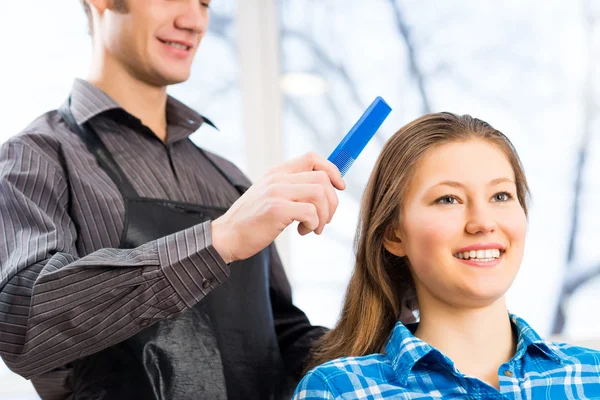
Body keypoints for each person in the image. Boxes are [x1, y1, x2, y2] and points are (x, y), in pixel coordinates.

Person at [0, 0, 346, 399]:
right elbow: (22, 323)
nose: (193, 21)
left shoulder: (228, 178)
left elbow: (285, 342)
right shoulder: (38, 156)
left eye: (204, 3)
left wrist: (387, 334)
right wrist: (218, 242)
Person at [293, 113, 600, 399]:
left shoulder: (593, 376)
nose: (482, 222)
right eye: (448, 199)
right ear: (393, 234)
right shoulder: (338, 390)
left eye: (501, 196)